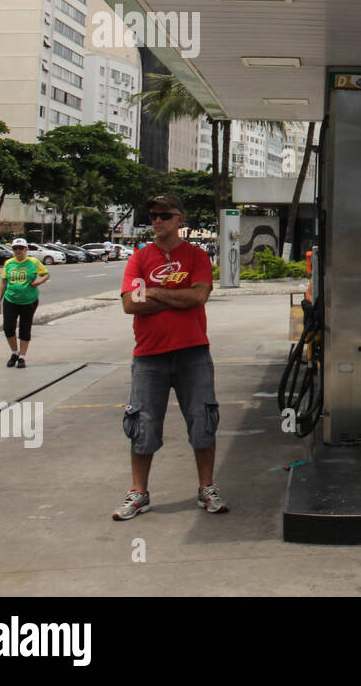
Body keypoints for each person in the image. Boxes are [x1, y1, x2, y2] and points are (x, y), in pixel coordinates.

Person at [113, 194, 225, 520]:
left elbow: (199, 295)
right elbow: (130, 304)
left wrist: (154, 291)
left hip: (193, 352)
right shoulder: (139, 258)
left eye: (165, 215)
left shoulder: (196, 255)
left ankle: (207, 488)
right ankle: (139, 493)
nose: (157, 221)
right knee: (143, 424)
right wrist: (179, 297)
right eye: (153, 216)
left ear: (180, 219)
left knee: (202, 419)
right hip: (149, 356)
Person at [0, 238, 49, 369]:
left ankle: (22, 357)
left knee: (25, 328)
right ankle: (14, 352)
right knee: (8, 327)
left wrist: (38, 283)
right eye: (15, 248)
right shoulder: (8, 263)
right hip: (10, 299)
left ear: (26, 249)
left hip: (29, 301)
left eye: (21, 248)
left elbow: (46, 274)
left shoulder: (33, 262)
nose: (18, 251)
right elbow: (3, 282)